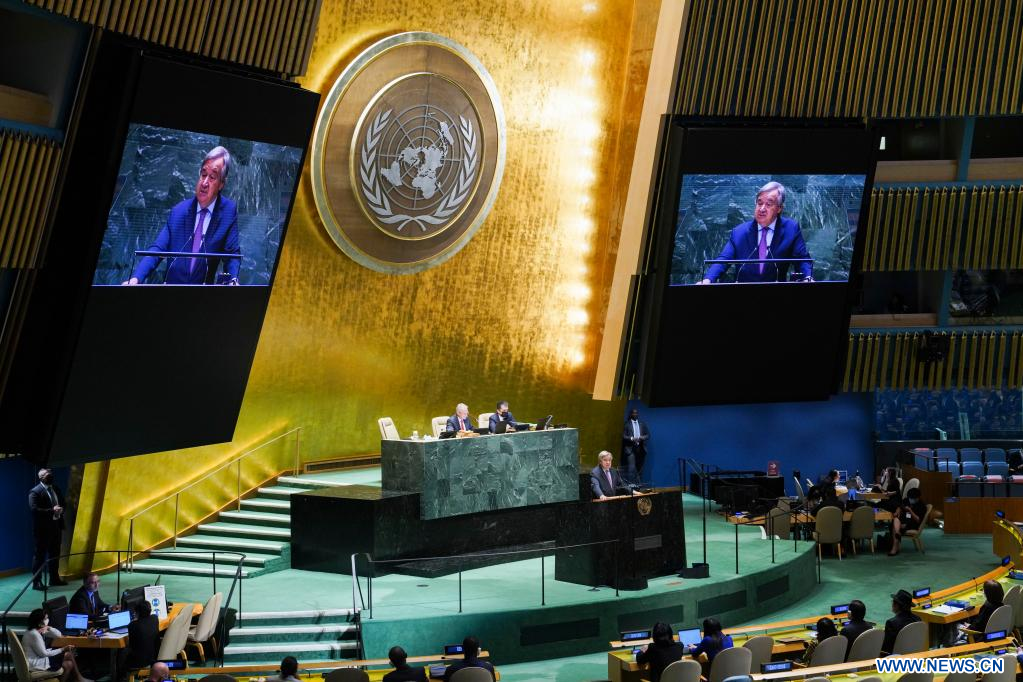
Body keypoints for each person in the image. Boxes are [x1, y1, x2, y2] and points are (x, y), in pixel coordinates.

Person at [125, 146, 240, 285]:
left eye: (212, 177)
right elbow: (158, 249)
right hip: (171, 293)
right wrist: (136, 278)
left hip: (202, 298)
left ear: (221, 183)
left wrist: (233, 280)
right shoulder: (179, 211)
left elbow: (232, 255)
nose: (204, 183)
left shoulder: (228, 211)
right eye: (203, 174)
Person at [699, 182, 812, 284]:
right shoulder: (739, 232)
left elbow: (802, 260)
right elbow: (723, 260)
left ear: (779, 208)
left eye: (768, 204)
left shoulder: (791, 229)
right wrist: (708, 279)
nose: (762, 208)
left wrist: (808, 277)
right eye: (759, 203)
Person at [22, 608, 90, 682]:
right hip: (37, 663)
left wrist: (49, 628)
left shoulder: (37, 630)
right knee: (69, 654)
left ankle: (78, 678)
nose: (47, 620)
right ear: (39, 621)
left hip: (40, 659)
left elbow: (58, 635)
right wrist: (63, 649)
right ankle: (79, 678)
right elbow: (44, 654)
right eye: (46, 618)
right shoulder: (34, 634)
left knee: (69, 665)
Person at [29, 468, 67, 590]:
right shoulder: (34, 492)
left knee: (55, 554)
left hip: (57, 527)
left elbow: (63, 503)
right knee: (40, 556)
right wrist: (52, 511)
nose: (50, 475)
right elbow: (34, 510)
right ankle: (37, 582)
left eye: (50, 474)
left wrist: (61, 509)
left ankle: (54, 578)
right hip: (43, 530)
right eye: (47, 474)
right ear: (41, 477)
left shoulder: (55, 488)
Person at [120, 601, 160, 671]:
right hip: (154, 657)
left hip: (139, 662)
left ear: (137, 612)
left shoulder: (132, 625)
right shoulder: (155, 618)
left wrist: (136, 621)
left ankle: (120, 675)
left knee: (122, 652)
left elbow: (132, 645)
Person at [881, 589, 921, 654]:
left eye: (893, 602)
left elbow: (886, 648)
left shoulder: (891, 623)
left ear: (896, 605)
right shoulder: (918, 619)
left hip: (896, 659)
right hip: (914, 655)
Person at [889, 488, 926, 556]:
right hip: (904, 520)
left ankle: (894, 548)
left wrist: (910, 511)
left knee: (895, 526)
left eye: (913, 498)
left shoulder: (922, 506)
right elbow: (900, 506)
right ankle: (897, 533)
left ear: (918, 498)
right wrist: (898, 510)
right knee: (896, 519)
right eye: (910, 498)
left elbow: (918, 520)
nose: (911, 500)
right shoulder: (906, 500)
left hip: (913, 523)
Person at [621, 408, 650, 482]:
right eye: (633, 413)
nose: (635, 414)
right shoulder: (627, 424)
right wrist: (631, 438)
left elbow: (648, 435)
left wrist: (642, 437)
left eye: (636, 413)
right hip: (630, 449)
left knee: (639, 469)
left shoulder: (642, 424)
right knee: (631, 468)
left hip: (641, 448)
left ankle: (638, 486)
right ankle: (631, 486)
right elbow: (623, 436)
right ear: (631, 414)